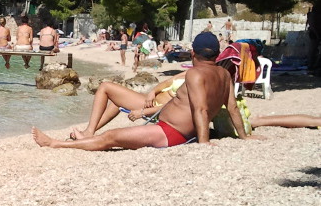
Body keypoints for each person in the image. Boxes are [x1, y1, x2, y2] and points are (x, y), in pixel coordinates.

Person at [33, 32, 251, 150]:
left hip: (171, 131)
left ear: (193, 53)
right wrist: (243, 136)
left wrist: (203, 143)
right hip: (167, 121)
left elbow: (201, 109)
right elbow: (232, 108)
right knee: (108, 96)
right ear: (216, 54)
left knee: (111, 137)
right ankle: (87, 134)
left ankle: (54, 143)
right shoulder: (224, 75)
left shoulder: (195, 74)